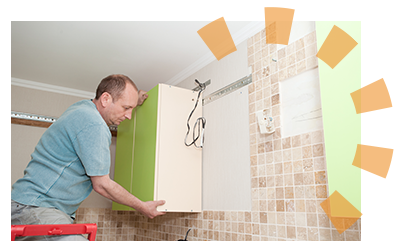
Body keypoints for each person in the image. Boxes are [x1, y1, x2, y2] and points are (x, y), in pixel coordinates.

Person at [11, 74, 166, 241]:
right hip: (36, 207)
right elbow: (102, 185)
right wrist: (142, 206)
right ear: (105, 99)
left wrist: (134, 100)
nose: (129, 115)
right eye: (126, 107)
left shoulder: (81, 109)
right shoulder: (95, 123)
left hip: (31, 206)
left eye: (132, 109)